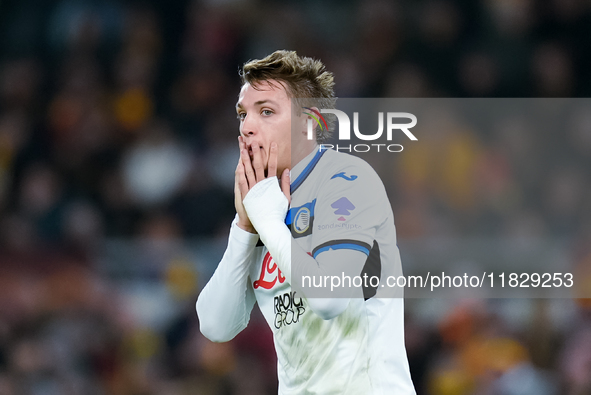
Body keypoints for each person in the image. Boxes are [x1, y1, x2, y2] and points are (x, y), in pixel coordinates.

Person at [196, 50, 415, 395]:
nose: (247, 126)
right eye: (242, 114)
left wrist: (267, 219)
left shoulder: (347, 180)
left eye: (266, 111)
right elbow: (215, 325)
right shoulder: (263, 208)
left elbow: (330, 298)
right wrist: (244, 227)